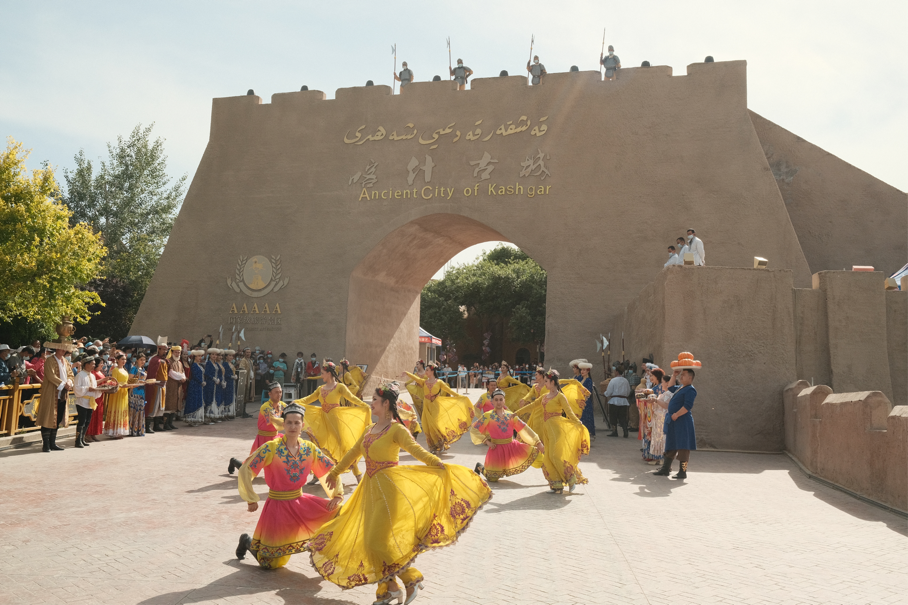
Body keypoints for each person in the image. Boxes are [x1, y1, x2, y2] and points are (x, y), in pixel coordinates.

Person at [308, 382, 492, 604]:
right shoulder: (369, 430)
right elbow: (353, 452)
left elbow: (417, 451)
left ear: (386, 404)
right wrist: (335, 472)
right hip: (368, 490)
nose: (371, 403)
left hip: (388, 492)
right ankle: (388, 589)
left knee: (377, 541)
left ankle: (409, 577)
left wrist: (438, 463)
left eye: (375, 400)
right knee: (370, 541)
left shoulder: (396, 429)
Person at [235, 403, 342, 569]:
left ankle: (323, 555)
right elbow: (245, 469)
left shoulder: (309, 449)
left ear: (303, 425)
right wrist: (250, 498)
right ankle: (247, 541)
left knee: (338, 513)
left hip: (300, 502)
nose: (293, 426)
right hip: (277, 507)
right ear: (283, 425)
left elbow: (329, 470)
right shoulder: (271, 448)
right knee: (270, 564)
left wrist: (337, 494)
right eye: (289, 423)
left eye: (297, 423)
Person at [514, 369, 590, 494]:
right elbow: (532, 405)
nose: (545, 384)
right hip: (546, 430)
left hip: (557, 429)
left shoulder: (560, 396)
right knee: (547, 457)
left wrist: (577, 422)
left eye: (546, 381)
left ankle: (571, 479)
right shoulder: (544, 397)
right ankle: (557, 484)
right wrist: (516, 413)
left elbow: (569, 412)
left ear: (553, 382)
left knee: (555, 455)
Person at [295, 360, 371, 483]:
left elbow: (352, 398)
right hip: (322, 420)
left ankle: (357, 474)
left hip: (336, 421)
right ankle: (316, 475)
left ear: (329, 373)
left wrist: (365, 405)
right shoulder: (320, 389)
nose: (321, 375)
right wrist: (296, 402)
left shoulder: (339, 387)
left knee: (344, 447)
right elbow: (308, 399)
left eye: (323, 373)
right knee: (319, 447)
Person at [472, 388, 544, 481]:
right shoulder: (488, 415)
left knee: (538, 456)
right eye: (496, 400)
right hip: (496, 448)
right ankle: (479, 467)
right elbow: (475, 429)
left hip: (511, 447)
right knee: (492, 478)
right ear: (493, 401)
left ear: (504, 401)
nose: (499, 402)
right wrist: (487, 442)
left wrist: (537, 442)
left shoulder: (511, 415)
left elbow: (524, 428)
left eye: (501, 399)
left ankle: (553, 476)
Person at [403, 361, 474, 454]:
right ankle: (432, 446)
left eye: (427, 370)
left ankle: (440, 444)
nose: (425, 372)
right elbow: (415, 378)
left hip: (435, 406)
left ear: (432, 371)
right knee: (427, 425)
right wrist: (407, 373)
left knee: (435, 426)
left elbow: (450, 391)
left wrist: (460, 397)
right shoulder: (424, 382)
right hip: (426, 406)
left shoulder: (439, 382)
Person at [229, 381, 287, 474]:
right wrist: (287, 421)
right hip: (263, 440)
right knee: (249, 470)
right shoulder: (265, 407)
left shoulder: (282, 405)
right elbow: (274, 420)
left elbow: (291, 413)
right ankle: (234, 461)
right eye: (276, 392)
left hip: (275, 438)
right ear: (270, 394)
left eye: (280, 392)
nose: (279, 394)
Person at [654, 368, 697, 479]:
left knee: (683, 446)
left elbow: (687, 406)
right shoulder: (680, 388)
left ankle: (682, 472)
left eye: (683, 375)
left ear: (690, 378)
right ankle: (665, 469)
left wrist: (677, 414)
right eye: (681, 375)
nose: (681, 377)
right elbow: (670, 387)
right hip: (673, 421)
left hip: (683, 421)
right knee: (671, 443)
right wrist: (674, 375)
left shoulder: (690, 390)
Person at [36, 341, 75, 452]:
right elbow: (50, 375)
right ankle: (46, 444)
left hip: (62, 394)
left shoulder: (66, 361)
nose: (63, 350)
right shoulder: (50, 360)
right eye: (61, 348)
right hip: (52, 392)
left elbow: (71, 374)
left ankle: (52, 443)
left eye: (64, 349)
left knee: (57, 419)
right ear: (56, 349)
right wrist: (64, 384)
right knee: (48, 417)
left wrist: (69, 382)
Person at [73, 356, 103, 448]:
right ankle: (78, 440)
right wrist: (87, 388)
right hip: (82, 401)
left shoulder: (92, 375)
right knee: (82, 421)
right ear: (86, 364)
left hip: (90, 401)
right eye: (92, 364)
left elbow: (94, 387)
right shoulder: (80, 375)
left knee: (87, 421)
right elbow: (76, 389)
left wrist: (99, 390)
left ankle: (82, 438)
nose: (94, 365)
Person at [104, 353, 130, 439]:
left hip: (124, 393)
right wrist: (121, 386)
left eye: (125, 359)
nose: (124, 361)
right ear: (117, 360)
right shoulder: (115, 370)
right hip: (117, 392)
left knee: (123, 410)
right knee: (117, 409)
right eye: (122, 359)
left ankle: (121, 430)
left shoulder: (125, 370)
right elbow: (113, 383)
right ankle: (114, 431)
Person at [145, 341, 168, 433]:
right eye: (163, 349)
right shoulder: (155, 360)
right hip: (155, 386)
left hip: (162, 386)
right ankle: (148, 426)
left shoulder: (164, 360)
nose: (165, 351)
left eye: (166, 350)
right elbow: (152, 373)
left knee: (160, 407)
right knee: (153, 405)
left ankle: (156, 425)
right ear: (159, 349)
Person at [572, 359, 596, 440]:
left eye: (584, 370)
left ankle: (588, 434)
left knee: (586, 418)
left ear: (588, 371)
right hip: (579, 401)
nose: (582, 371)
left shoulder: (588, 380)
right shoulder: (581, 379)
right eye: (581, 369)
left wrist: (583, 399)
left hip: (585, 402)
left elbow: (588, 392)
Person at [163, 345, 186, 431]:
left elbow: (182, 372)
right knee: (169, 405)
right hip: (170, 386)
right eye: (176, 352)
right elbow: (171, 373)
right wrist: (181, 378)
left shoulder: (179, 363)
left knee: (175, 406)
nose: (177, 354)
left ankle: (170, 423)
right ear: (172, 352)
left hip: (178, 387)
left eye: (179, 352)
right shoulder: (169, 361)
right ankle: (166, 424)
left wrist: (183, 378)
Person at [604, 366, 631, 437]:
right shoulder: (626, 381)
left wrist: (605, 394)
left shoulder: (613, 380)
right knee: (622, 416)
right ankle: (625, 431)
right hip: (623, 401)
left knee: (613, 416)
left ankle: (614, 431)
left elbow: (609, 391)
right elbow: (628, 391)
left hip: (614, 401)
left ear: (617, 372)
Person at [184, 350, 206, 426]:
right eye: (198, 356)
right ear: (195, 357)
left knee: (198, 400)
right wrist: (201, 381)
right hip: (194, 385)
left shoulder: (200, 365)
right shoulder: (194, 365)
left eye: (201, 356)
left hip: (199, 385)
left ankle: (197, 419)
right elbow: (195, 375)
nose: (200, 357)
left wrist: (203, 381)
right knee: (194, 400)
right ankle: (192, 419)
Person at [128, 352, 148, 436]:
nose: (143, 361)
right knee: (134, 411)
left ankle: (138, 429)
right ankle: (132, 430)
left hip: (141, 391)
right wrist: (139, 381)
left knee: (140, 410)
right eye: (141, 360)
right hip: (135, 391)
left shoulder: (143, 369)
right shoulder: (134, 368)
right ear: (137, 360)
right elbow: (129, 380)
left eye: (144, 360)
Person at [204, 348, 222, 423]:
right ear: (210, 355)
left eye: (215, 354)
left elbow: (220, 374)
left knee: (215, 399)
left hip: (216, 384)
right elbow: (206, 373)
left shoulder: (217, 364)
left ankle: (213, 416)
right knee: (209, 399)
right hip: (209, 383)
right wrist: (213, 378)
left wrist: (219, 379)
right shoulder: (208, 363)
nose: (214, 356)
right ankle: (207, 417)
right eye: (213, 354)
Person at [223, 350, 237, 419]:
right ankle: (226, 413)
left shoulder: (231, 364)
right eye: (229, 355)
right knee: (227, 396)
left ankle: (231, 413)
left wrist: (235, 375)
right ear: (226, 357)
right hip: (227, 382)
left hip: (232, 382)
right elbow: (224, 373)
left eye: (232, 356)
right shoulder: (225, 364)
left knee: (231, 396)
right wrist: (231, 376)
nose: (231, 357)